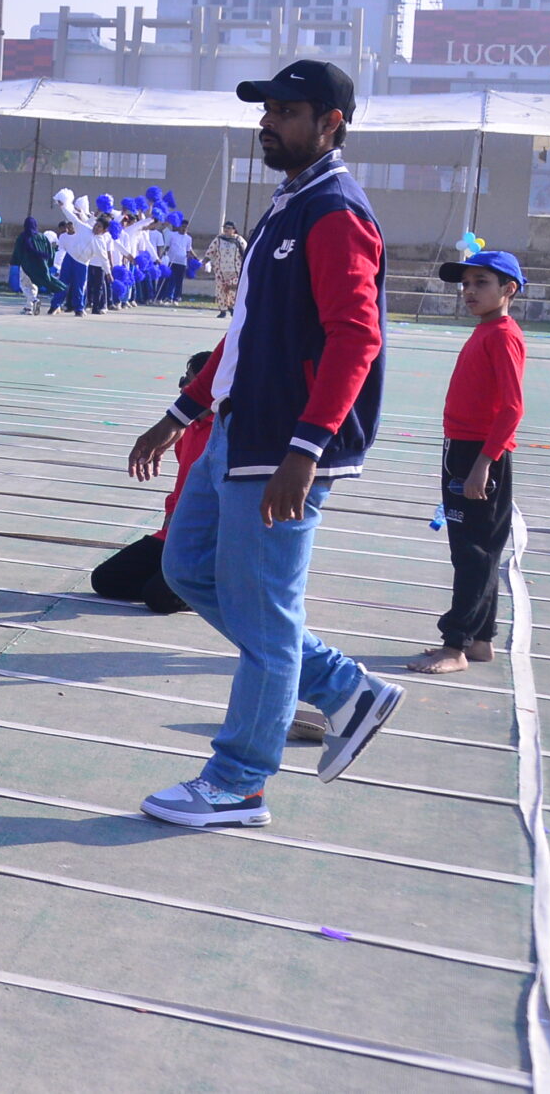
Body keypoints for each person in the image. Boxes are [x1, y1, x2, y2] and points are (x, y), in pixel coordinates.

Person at [124, 58, 402, 829]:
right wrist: (181, 413)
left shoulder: (335, 212)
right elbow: (242, 334)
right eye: (266, 109)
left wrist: (306, 449)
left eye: (285, 111)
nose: (267, 122)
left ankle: (239, 781)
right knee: (186, 565)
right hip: (236, 430)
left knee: (267, 614)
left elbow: (357, 338)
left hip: (284, 445)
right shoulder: (289, 206)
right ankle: (344, 688)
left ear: (331, 123)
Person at [411, 250, 529, 674]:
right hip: (461, 448)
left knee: (473, 553)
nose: (469, 291)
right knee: (476, 550)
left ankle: (455, 645)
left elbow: (512, 408)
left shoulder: (503, 335)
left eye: (481, 282)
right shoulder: (486, 331)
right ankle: (479, 640)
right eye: (466, 284)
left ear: (508, 289)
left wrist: (483, 463)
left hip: (479, 454)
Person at [93, 348, 213, 614]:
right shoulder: (186, 429)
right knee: (106, 580)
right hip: (176, 534)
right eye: (183, 379)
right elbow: (182, 486)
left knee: (159, 598)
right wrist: (171, 514)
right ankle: (177, 577)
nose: (182, 387)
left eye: (189, 381)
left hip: (208, 541)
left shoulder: (226, 433)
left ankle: (221, 583)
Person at [10, 217, 55, 315]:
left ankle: (34, 300)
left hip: (27, 264)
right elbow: (49, 251)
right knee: (33, 286)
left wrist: (15, 261)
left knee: (24, 285)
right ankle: (28, 308)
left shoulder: (23, 237)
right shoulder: (41, 237)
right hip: (39, 265)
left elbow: (18, 251)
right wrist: (48, 263)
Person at [206, 220, 246, 318]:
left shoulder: (238, 239)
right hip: (220, 270)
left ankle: (232, 308)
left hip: (235, 270)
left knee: (233, 290)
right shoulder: (219, 239)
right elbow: (211, 251)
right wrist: (205, 260)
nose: (226, 230)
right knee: (221, 289)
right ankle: (222, 310)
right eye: (225, 228)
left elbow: (246, 251)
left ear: (234, 230)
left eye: (229, 228)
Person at [47, 220, 87, 317]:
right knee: (62, 284)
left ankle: (79, 308)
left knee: (78, 285)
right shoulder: (63, 237)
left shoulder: (81, 235)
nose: (69, 227)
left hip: (80, 260)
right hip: (67, 260)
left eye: (71, 225)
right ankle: (55, 306)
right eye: (68, 225)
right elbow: (61, 250)